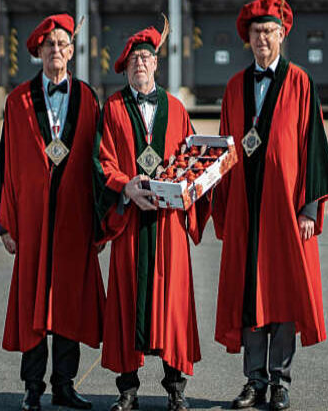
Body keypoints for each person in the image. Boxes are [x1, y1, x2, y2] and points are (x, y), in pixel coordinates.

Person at [212, 0, 328, 411]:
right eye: (255, 31)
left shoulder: (301, 82)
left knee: (281, 294)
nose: (262, 38)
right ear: (247, 38)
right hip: (247, 211)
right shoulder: (234, 87)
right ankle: (254, 381)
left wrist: (308, 209)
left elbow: (314, 147)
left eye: (269, 30)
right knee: (251, 295)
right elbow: (226, 149)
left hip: (285, 211)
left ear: (282, 34)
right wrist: (222, 205)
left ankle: (281, 380)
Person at [0, 13, 105, 411]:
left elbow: (99, 163)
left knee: (68, 302)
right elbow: (7, 161)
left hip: (74, 221)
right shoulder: (18, 101)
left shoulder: (88, 98)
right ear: (39, 51)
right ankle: (33, 386)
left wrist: (101, 222)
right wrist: (6, 222)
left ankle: (65, 385)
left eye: (63, 44)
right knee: (34, 303)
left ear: (72, 51)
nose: (56, 50)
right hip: (34, 222)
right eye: (49, 45)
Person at [92, 22, 210, 411]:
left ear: (156, 64)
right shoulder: (112, 108)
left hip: (168, 226)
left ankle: (176, 387)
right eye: (132, 60)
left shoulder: (176, 109)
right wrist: (125, 186)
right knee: (128, 302)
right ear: (124, 68)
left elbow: (192, 161)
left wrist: (197, 182)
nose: (139, 64)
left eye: (145, 58)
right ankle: (127, 389)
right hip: (129, 223)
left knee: (172, 302)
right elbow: (102, 161)